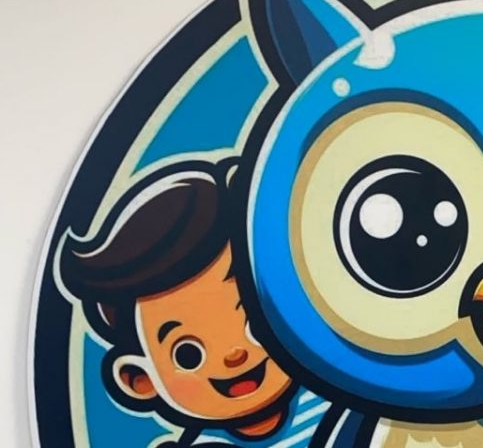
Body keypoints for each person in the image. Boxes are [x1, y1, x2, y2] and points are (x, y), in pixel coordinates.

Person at [59, 159, 304, 447]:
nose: (234, 355)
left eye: (255, 323)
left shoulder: (340, 392)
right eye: (188, 355)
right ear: (141, 379)